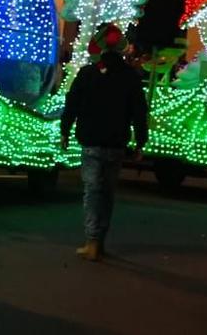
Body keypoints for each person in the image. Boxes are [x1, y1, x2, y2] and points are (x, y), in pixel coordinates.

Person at [59, 47, 148, 262]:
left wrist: (65, 131)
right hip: (116, 143)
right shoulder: (130, 77)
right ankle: (100, 241)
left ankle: (92, 240)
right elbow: (139, 111)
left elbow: (72, 104)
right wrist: (140, 142)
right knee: (107, 193)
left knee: (92, 191)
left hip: (91, 140)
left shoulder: (87, 74)